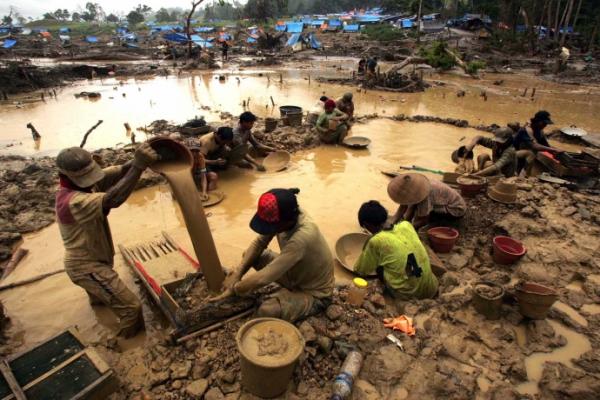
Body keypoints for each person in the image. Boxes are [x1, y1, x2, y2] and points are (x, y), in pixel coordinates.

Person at [55, 144, 158, 338]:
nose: (90, 181)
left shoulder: (83, 185)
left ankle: (100, 317)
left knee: (101, 300)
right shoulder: (73, 201)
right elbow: (113, 199)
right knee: (131, 308)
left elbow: (120, 170)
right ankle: (127, 344)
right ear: (66, 176)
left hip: (93, 258)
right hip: (87, 267)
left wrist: (140, 158)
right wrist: (139, 166)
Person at [210, 188, 334, 322]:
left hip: (314, 293)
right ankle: (285, 291)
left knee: (266, 310)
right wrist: (237, 275)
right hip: (294, 274)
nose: (268, 230)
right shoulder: (286, 214)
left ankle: (300, 300)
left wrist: (235, 288)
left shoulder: (303, 237)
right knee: (250, 255)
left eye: (270, 226)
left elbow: (264, 277)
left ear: (285, 222)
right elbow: (259, 243)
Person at [354, 201, 438, 300]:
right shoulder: (406, 225)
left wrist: (368, 248)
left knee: (379, 264)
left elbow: (360, 270)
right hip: (431, 287)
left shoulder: (377, 241)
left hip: (409, 294)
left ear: (367, 225)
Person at [388, 173, 466, 230]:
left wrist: (407, 229)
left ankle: (438, 222)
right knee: (413, 206)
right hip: (445, 200)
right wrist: (393, 222)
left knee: (421, 213)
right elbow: (403, 205)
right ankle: (407, 223)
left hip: (456, 209)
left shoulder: (425, 194)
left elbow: (423, 219)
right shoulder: (419, 186)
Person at [513, 110, 563, 175]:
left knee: (532, 153)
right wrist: (554, 150)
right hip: (513, 154)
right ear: (539, 121)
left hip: (523, 156)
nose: (545, 125)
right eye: (544, 123)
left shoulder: (539, 131)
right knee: (531, 153)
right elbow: (535, 146)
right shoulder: (526, 130)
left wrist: (556, 153)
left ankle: (526, 173)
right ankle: (523, 175)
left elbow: (546, 145)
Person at [190, 127, 234, 198]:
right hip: (192, 169)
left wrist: (204, 192)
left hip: (203, 162)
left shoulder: (200, 157)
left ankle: (210, 195)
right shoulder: (206, 142)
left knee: (214, 177)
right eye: (192, 151)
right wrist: (215, 162)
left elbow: (203, 176)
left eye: (196, 151)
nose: (194, 154)